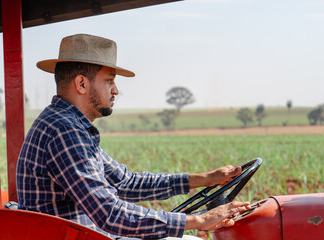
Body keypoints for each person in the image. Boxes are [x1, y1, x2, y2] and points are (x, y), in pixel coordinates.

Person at [16, 34, 250, 239]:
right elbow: (109, 213)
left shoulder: (70, 126)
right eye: (109, 81)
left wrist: (206, 178)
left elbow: (126, 183)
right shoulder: (64, 132)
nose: (116, 90)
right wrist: (199, 221)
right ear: (81, 84)